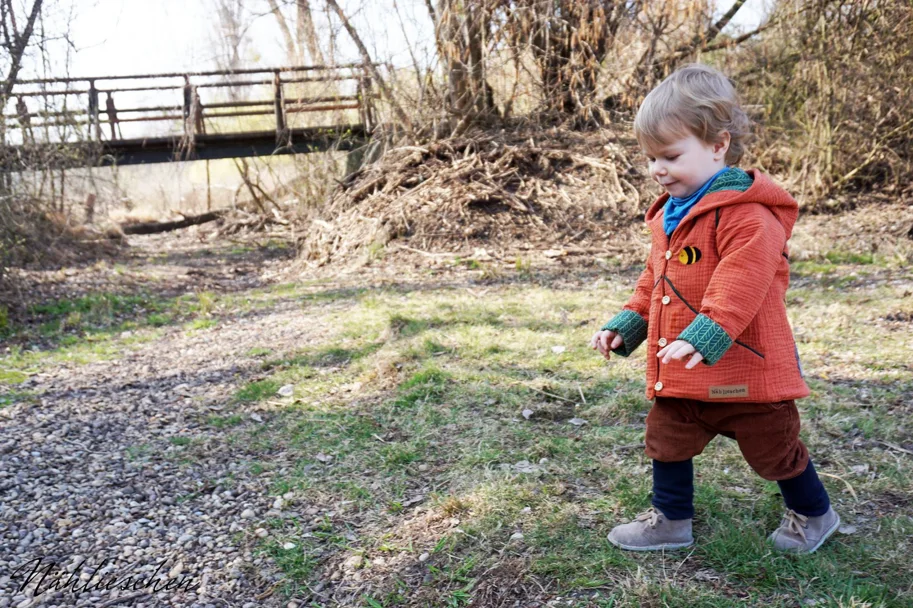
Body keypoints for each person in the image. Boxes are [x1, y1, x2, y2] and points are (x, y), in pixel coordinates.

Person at [589, 63, 839, 554]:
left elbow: (740, 283)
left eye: (671, 156)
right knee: (666, 438)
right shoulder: (672, 215)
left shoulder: (748, 215)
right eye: (650, 159)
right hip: (683, 369)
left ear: (718, 145)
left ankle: (815, 515)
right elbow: (655, 281)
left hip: (744, 366)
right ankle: (671, 519)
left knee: (775, 449)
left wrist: (706, 333)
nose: (657, 169)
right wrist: (627, 325)